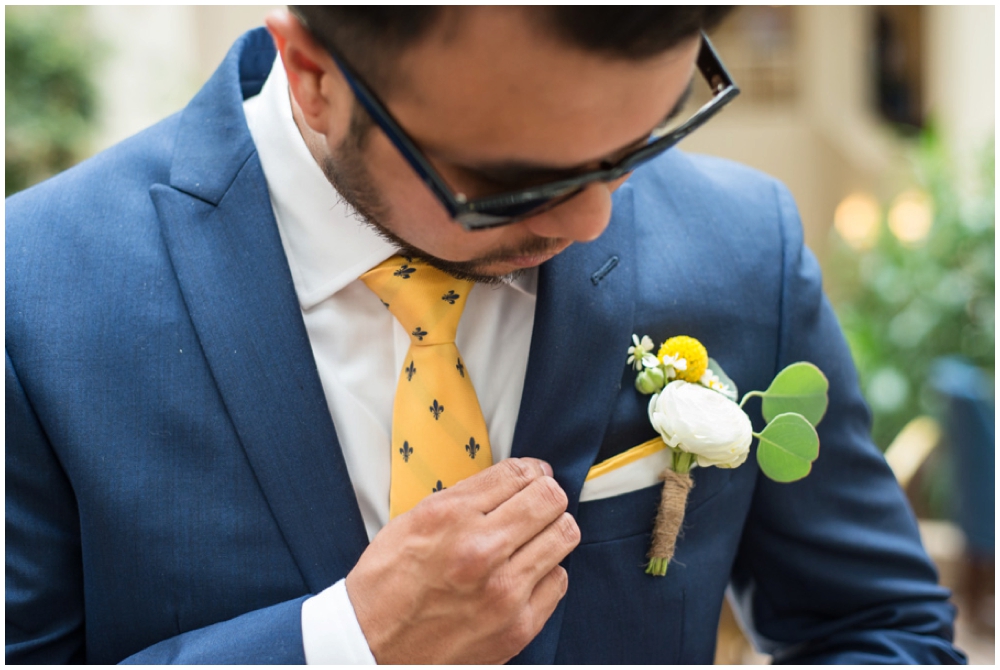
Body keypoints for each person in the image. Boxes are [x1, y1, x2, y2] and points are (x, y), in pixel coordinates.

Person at [5, 7, 965, 664]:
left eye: (643, 140)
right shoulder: (35, 292)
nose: (595, 221)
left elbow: (882, 628)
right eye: (514, 181)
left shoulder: (743, 246)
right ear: (313, 74)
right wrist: (347, 647)